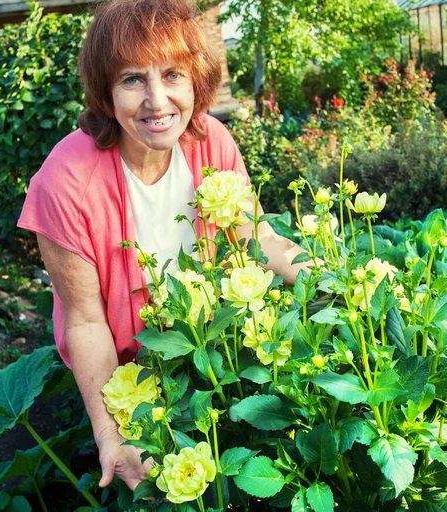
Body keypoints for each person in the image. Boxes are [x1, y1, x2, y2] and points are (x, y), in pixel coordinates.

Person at [18, 0, 308, 493]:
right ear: (106, 93)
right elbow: (86, 321)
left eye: (172, 74)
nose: (157, 100)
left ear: (196, 80)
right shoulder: (66, 181)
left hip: (217, 355)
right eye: (133, 79)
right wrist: (113, 435)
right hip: (134, 376)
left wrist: (335, 278)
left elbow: (256, 238)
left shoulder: (211, 141)